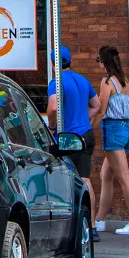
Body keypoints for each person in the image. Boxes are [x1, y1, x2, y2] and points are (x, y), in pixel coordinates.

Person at [92, 45, 129, 237]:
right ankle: (100, 219)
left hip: (113, 130)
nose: (98, 65)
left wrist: (89, 127)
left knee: (124, 177)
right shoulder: (128, 83)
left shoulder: (107, 82)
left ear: (104, 63)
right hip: (128, 130)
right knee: (105, 175)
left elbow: (102, 110)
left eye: (98, 61)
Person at [54, 45, 98, 191]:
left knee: (62, 180)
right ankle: (89, 215)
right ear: (71, 60)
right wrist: (83, 119)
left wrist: (52, 127)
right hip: (86, 134)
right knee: (85, 180)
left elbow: (53, 108)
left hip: (69, 137)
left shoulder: (56, 82)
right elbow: (96, 105)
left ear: (53, 64)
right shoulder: (83, 80)